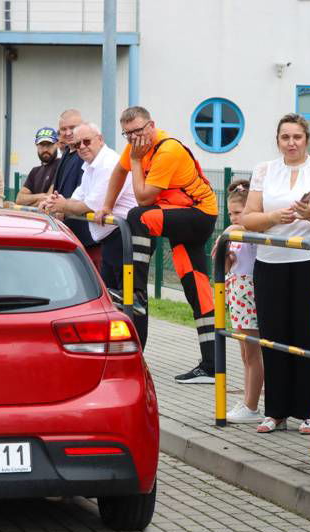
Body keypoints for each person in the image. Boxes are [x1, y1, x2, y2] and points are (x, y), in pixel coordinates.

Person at [96, 106, 217, 383]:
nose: (134, 138)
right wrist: (106, 205)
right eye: (128, 134)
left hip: (198, 215)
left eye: (138, 131)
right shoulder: (136, 147)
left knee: (139, 216)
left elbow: (144, 198)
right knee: (197, 288)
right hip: (177, 217)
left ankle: (137, 291)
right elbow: (118, 173)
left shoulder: (166, 149)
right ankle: (211, 366)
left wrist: (137, 162)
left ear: (151, 125)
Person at [240, 113, 310, 433]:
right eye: (285, 137)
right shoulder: (264, 170)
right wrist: (273, 216)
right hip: (270, 262)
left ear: (307, 139)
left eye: (297, 137)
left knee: (308, 335)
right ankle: (276, 411)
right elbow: (247, 219)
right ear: (278, 140)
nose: (291, 143)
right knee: (273, 336)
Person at [41, 122, 137, 291]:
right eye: (77, 144)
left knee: (129, 299)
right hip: (111, 237)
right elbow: (77, 199)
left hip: (124, 237)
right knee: (113, 297)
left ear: (100, 139)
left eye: (86, 141)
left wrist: (62, 205)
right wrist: (57, 203)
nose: (82, 147)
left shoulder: (108, 164)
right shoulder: (90, 166)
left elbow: (88, 206)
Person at [212, 180, 264, 424]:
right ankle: (247, 401)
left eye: (238, 213)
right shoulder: (233, 234)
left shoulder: (252, 233)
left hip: (250, 293)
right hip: (236, 291)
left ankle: (252, 404)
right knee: (244, 353)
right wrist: (227, 256)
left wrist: (229, 233)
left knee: (253, 353)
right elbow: (225, 267)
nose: (233, 218)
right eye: (231, 213)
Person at [53, 109, 100, 266]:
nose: (68, 133)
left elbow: (86, 196)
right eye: (63, 129)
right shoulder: (67, 153)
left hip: (89, 238)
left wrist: (63, 207)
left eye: (72, 128)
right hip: (70, 236)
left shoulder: (87, 156)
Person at [17, 127, 61, 206]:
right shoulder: (35, 171)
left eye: (49, 145)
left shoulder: (60, 166)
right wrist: (42, 196)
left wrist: (30, 204)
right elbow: (19, 199)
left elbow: (49, 199)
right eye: (42, 145)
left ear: (57, 144)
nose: (45, 149)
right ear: (36, 145)